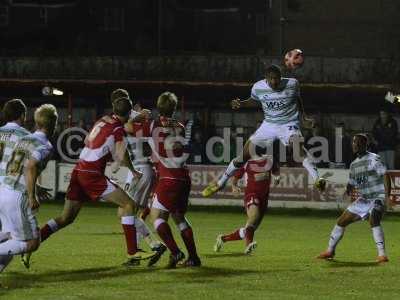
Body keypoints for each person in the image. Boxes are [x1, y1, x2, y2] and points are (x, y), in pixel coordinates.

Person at [38, 97, 157, 267]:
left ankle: (35, 240)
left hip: (79, 170)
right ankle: (133, 252)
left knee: (66, 218)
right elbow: (121, 154)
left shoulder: (103, 120)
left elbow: (88, 141)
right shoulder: (117, 129)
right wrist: (132, 170)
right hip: (92, 173)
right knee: (129, 205)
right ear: (129, 112)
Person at [202, 64, 326, 198]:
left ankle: (318, 179)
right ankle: (220, 184)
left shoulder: (292, 84)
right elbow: (254, 101)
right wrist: (242, 103)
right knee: (243, 156)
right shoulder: (258, 87)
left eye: (276, 78)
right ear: (266, 78)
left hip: (288, 123)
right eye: (271, 79)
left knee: (297, 148)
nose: (274, 82)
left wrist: (304, 118)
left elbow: (297, 99)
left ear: (280, 77)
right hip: (269, 125)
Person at [0, 104, 58, 273]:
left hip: (4, 189)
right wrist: (32, 196)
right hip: (17, 197)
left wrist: (34, 187)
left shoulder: (24, 139)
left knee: (11, 239)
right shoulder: (45, 145)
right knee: (32, 242)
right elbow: (30, 166)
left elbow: (12, 166)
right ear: (53, 124)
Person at [146, 92, 201, 268]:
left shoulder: (153, 125)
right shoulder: (180, 126)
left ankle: (175, 252)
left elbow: (130, 127)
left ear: (158, 106)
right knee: (179, 218)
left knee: (156, 217)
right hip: (183, 177)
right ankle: (193, 258)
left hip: (169, 177)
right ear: (174, 108)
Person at [317, 134, 390, 263]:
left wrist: (387, 197)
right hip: (364, 199)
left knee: (373, 219)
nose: (354, 144)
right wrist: (344, 191)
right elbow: (351, 184)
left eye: (358, 142)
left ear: (365, 144)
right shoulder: (353, 165)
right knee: (341, 222)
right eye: (353, 142)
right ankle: (330, 251)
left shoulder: (373, 159)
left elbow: (385, 175)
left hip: (377, 197)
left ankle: (382, 255)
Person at [214, 149, 280, 254]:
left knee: (250, 228)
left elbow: (276, 170)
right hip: (251, 194)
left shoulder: (269, 159)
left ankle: (223, 239)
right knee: (253, 217)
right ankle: (248, 245)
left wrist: (277, 177)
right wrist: (234, 187)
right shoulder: (247, 161)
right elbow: (235, 178)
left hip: (264, 198)